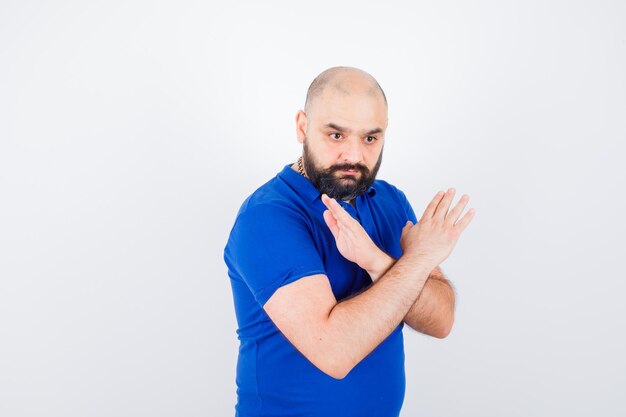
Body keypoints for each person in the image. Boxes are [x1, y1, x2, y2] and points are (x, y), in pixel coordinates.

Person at [223, 66, 475, 417]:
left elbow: (441, 321)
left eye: (370, 138)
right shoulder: (267, 217)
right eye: (336, 136)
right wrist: (416, 261)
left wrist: (378, 262)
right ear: (302, 127)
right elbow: (334, 352)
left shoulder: (390, 201)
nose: (354, 156)